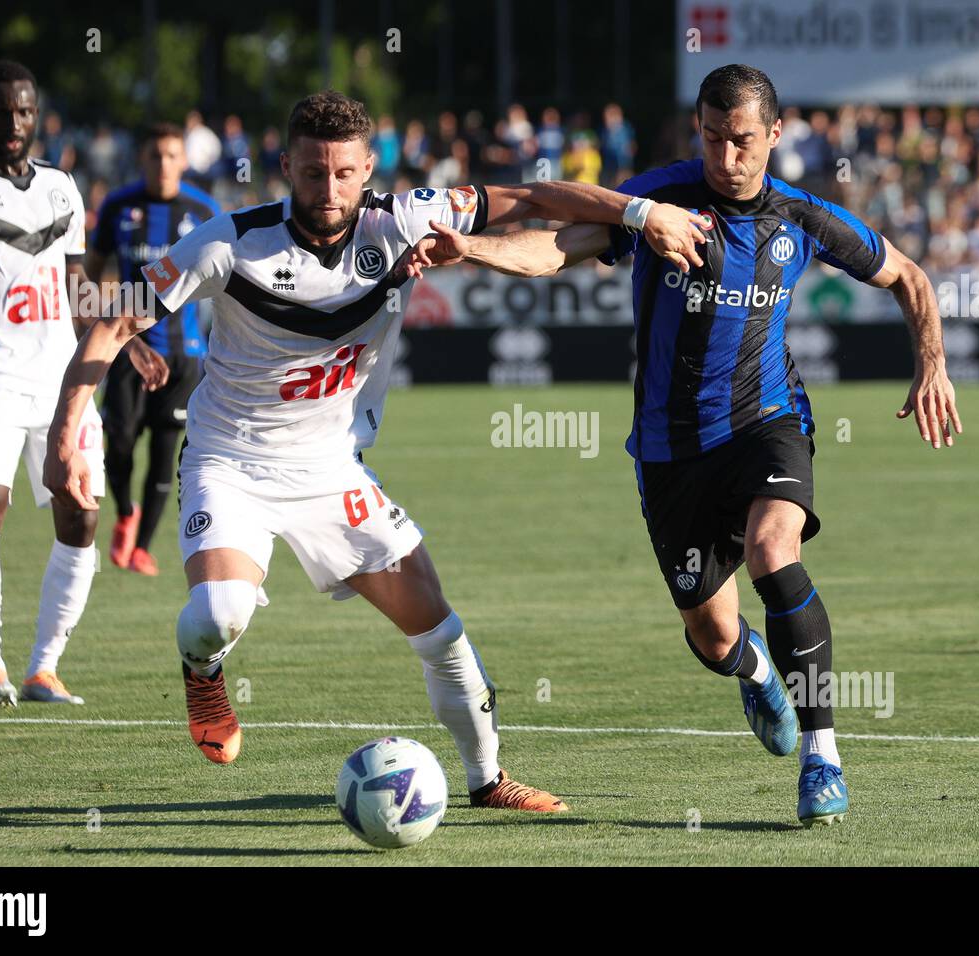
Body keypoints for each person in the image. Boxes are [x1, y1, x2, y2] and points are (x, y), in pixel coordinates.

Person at [43, 90, 708, 809]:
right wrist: (65, 439)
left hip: (331, 470)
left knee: (440, 628)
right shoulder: (226, 242)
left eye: (342, 174)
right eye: (309, 172)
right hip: (229, 463)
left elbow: (530, 197)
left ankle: (487, 781)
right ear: (286, 167)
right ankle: (202, 671)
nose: (325, 190)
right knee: (217, 616)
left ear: (367, 171)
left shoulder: (405, 218)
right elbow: (111, 324)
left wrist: (642, 213)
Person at [405, 64, 963, 826]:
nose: (725, 157)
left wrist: (932, 364)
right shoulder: (659, 200)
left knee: (775, 552)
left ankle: (823, 755)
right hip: (670, 453)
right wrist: (471, 249)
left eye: (741, 141)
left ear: (773, 134)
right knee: (711, 634)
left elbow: (909, 276)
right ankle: (755, 667)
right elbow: (550, 246)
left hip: (769, 422)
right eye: (710, 138)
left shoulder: (802, 217)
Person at [0, 60, 165, 708]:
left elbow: (78, 286)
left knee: (81, 519)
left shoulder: (61, 189)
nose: (13, 124)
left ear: (35, 112)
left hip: (63, 382)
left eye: (23, 111)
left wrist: (125, 338)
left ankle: (42, 668)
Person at [85, 122, 221, 576]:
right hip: (128, 351)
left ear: (184, 161)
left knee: (166, 451)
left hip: (184, 357)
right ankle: (126, 511)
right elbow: (86, 274)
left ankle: (141, 548)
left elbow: (229, 280)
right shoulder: (119, 206)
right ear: (141, 160)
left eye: (170, 156)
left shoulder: (204, 211)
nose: (163, 164)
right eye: (154, 155)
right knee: (119, 442)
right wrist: (109, 322)